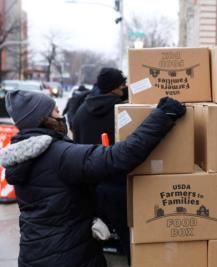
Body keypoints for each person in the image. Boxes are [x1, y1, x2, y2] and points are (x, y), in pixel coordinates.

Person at [0, 90, 186, 267]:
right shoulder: (59, 154)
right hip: (68, 257)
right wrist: (162, 116)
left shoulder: (23, 156)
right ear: (43, 119)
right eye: (55, 110)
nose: (60, 114)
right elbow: (118, 158)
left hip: (34, 253)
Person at [72, 68, 131, 261]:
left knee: (96, 234)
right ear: (115, 86)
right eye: (121, 83)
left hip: (90, 182)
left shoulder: (81, 110)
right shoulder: (124, 110)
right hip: (119, 182)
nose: (124, 86)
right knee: (127, 237)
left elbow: (77, 143)